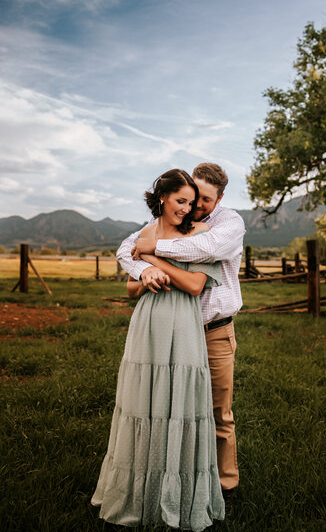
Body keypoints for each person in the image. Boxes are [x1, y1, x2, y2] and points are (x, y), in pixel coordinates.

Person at [91, 169, 225, 531]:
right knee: (144, 404)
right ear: (162, 197)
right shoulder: (145, 233)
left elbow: (196, 285)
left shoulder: (200, 234)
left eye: (192, 202)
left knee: (178, 402)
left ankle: (179, 497)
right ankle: (138, 493)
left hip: (182, 322)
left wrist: (154, 262)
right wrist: (143, 275)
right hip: (148, 322)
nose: (187, 209)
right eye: (181, 201)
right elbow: (131, 291)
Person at [117, 163, 245, 510]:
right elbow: (127, 248)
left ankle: (224, 486)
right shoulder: (172, 224)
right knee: (167, 405)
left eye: (203, 199)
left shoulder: (226, 226)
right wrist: (143, 266)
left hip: (214, 330)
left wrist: (152, 250)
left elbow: (205, 252)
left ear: (219, 198)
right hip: (172, 331)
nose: (194, 206)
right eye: (189, 198)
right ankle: (169, 476)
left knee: (218, 412)